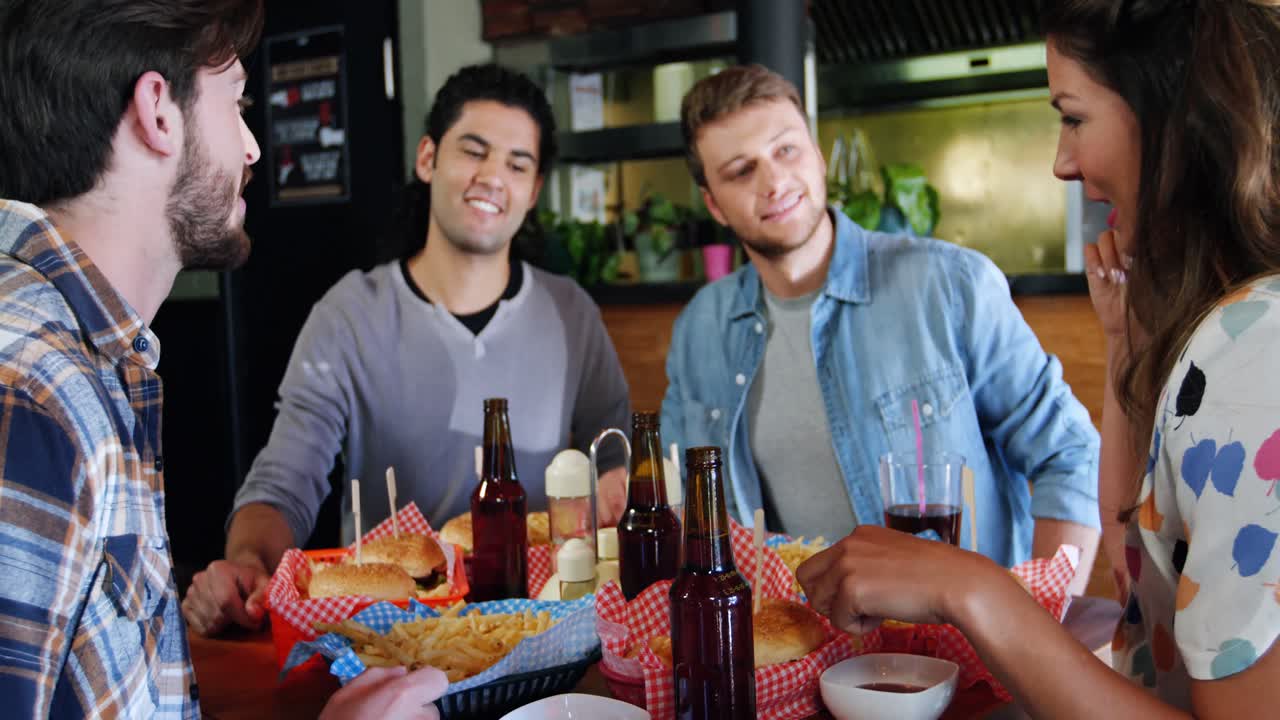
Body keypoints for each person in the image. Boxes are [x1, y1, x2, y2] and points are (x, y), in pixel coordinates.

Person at [799, 0, 1280, 714]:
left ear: (1175, 116)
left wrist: (966, 585)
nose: (1062, 161)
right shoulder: (1234, 332)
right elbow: (1139, 568)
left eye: (1073, 116)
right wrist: (1124, 342)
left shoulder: (1256, 353)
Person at [0, 1, 447, 717]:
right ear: (158, 112)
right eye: (236, 104)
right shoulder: (30, 390)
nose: (253, 148)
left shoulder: (94, 360)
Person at [182, 63, 631, 637]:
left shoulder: (572, 315)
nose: (493, 177)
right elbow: (286, 479)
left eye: (517, 164)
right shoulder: (349, 315)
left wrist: (616, 485)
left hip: (544, 630)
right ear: (428, 158)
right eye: (474, 151)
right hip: (389, 639)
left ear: (534, 190)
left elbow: (614, 456)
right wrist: (249, 563)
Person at [662, 64, 1101, 577]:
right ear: (714, 205)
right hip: (782, 625)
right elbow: (680, 501)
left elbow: (1069, 454)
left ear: (817, 155)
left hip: (951, 625)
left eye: (786, 150)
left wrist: (1036, 612)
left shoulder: (950, 285)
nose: (774, 181)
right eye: (741, 170)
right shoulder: (700, 327)